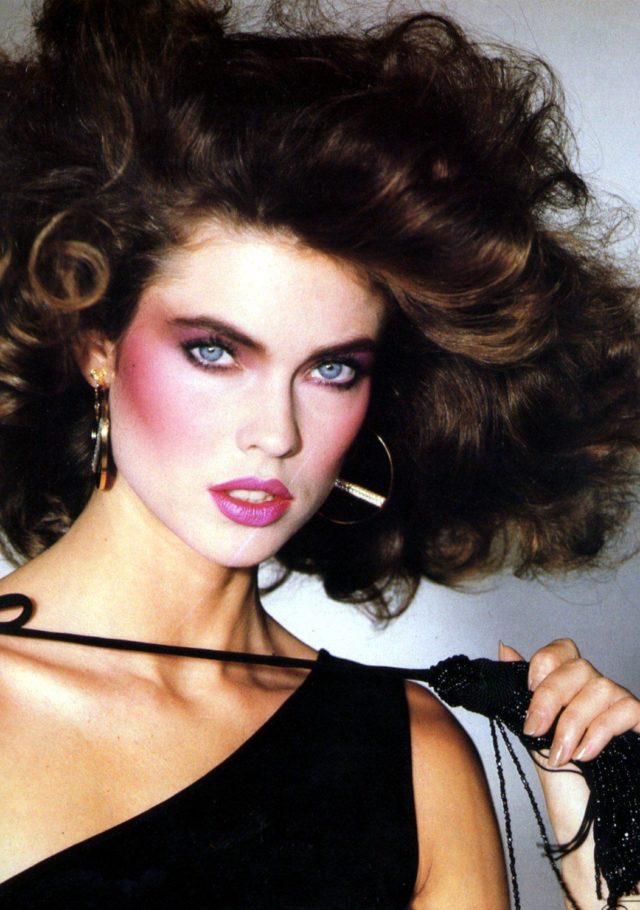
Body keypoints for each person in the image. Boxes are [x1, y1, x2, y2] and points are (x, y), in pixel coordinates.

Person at [0, 0, 638, 907]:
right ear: (95, 341)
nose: (279, 432)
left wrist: (610, 885)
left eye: (332, 369)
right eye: (215, 351)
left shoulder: (412, 758)